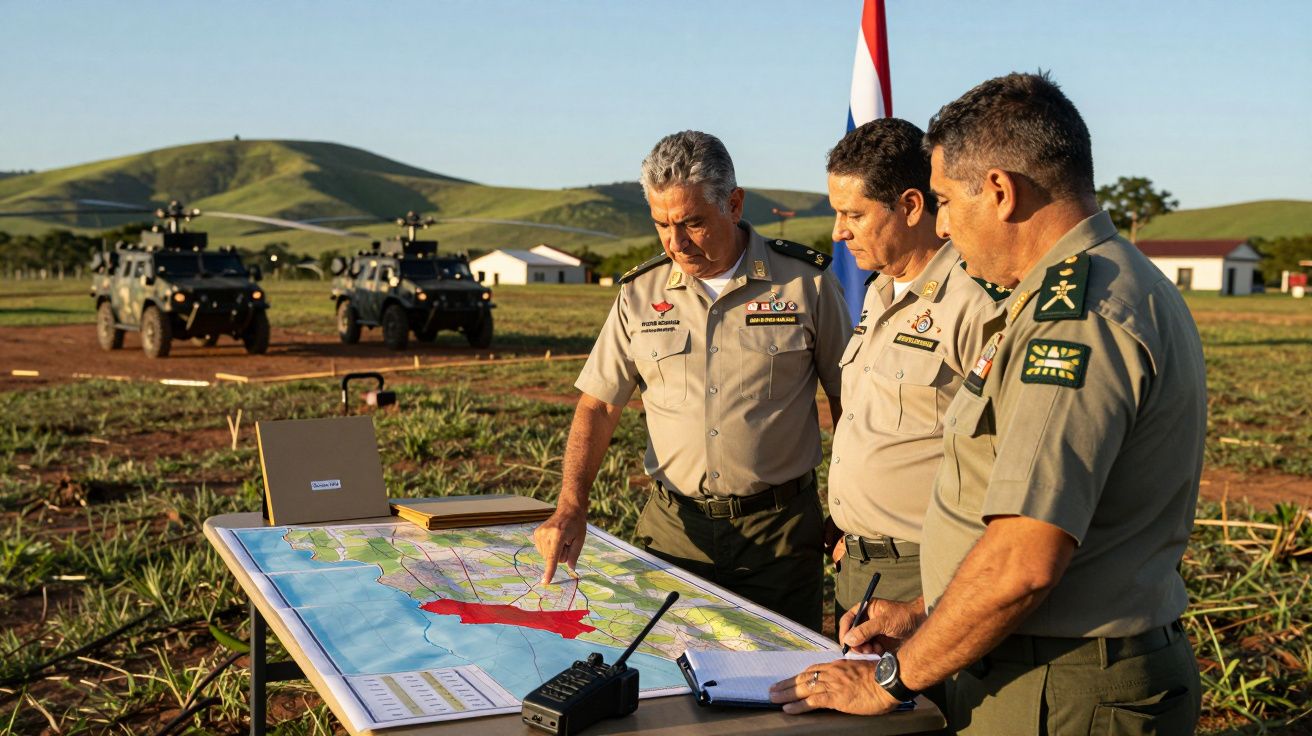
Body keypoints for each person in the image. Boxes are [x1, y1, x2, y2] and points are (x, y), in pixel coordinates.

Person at [771, 72, 1205, 736]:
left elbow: (1023, 563)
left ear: (999, 192)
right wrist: (923, 610)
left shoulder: (1075, 320)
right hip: (1048, 672)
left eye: (944, 200)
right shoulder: (1109, 284)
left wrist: (892, 678)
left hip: (1062, 689)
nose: (940, 223)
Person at [532, 130, 850, 631]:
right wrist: (572, 504)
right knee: (671, 678)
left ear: (735, 203)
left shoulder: (805, 283)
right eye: (662, 224)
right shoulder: (640, 294)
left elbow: (848, 401)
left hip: (779, 536)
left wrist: (846, 510)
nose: (676, 243)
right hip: (675, 533)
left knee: (785, 687)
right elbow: (598, 405)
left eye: (693, 223)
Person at [824, 118, 1007, 617]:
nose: (838, 233)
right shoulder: (879, 292)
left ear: (909, 206)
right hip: (857, 562)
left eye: (853, 215)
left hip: (928, 572)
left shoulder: (975, 302)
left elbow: (1003, 459)